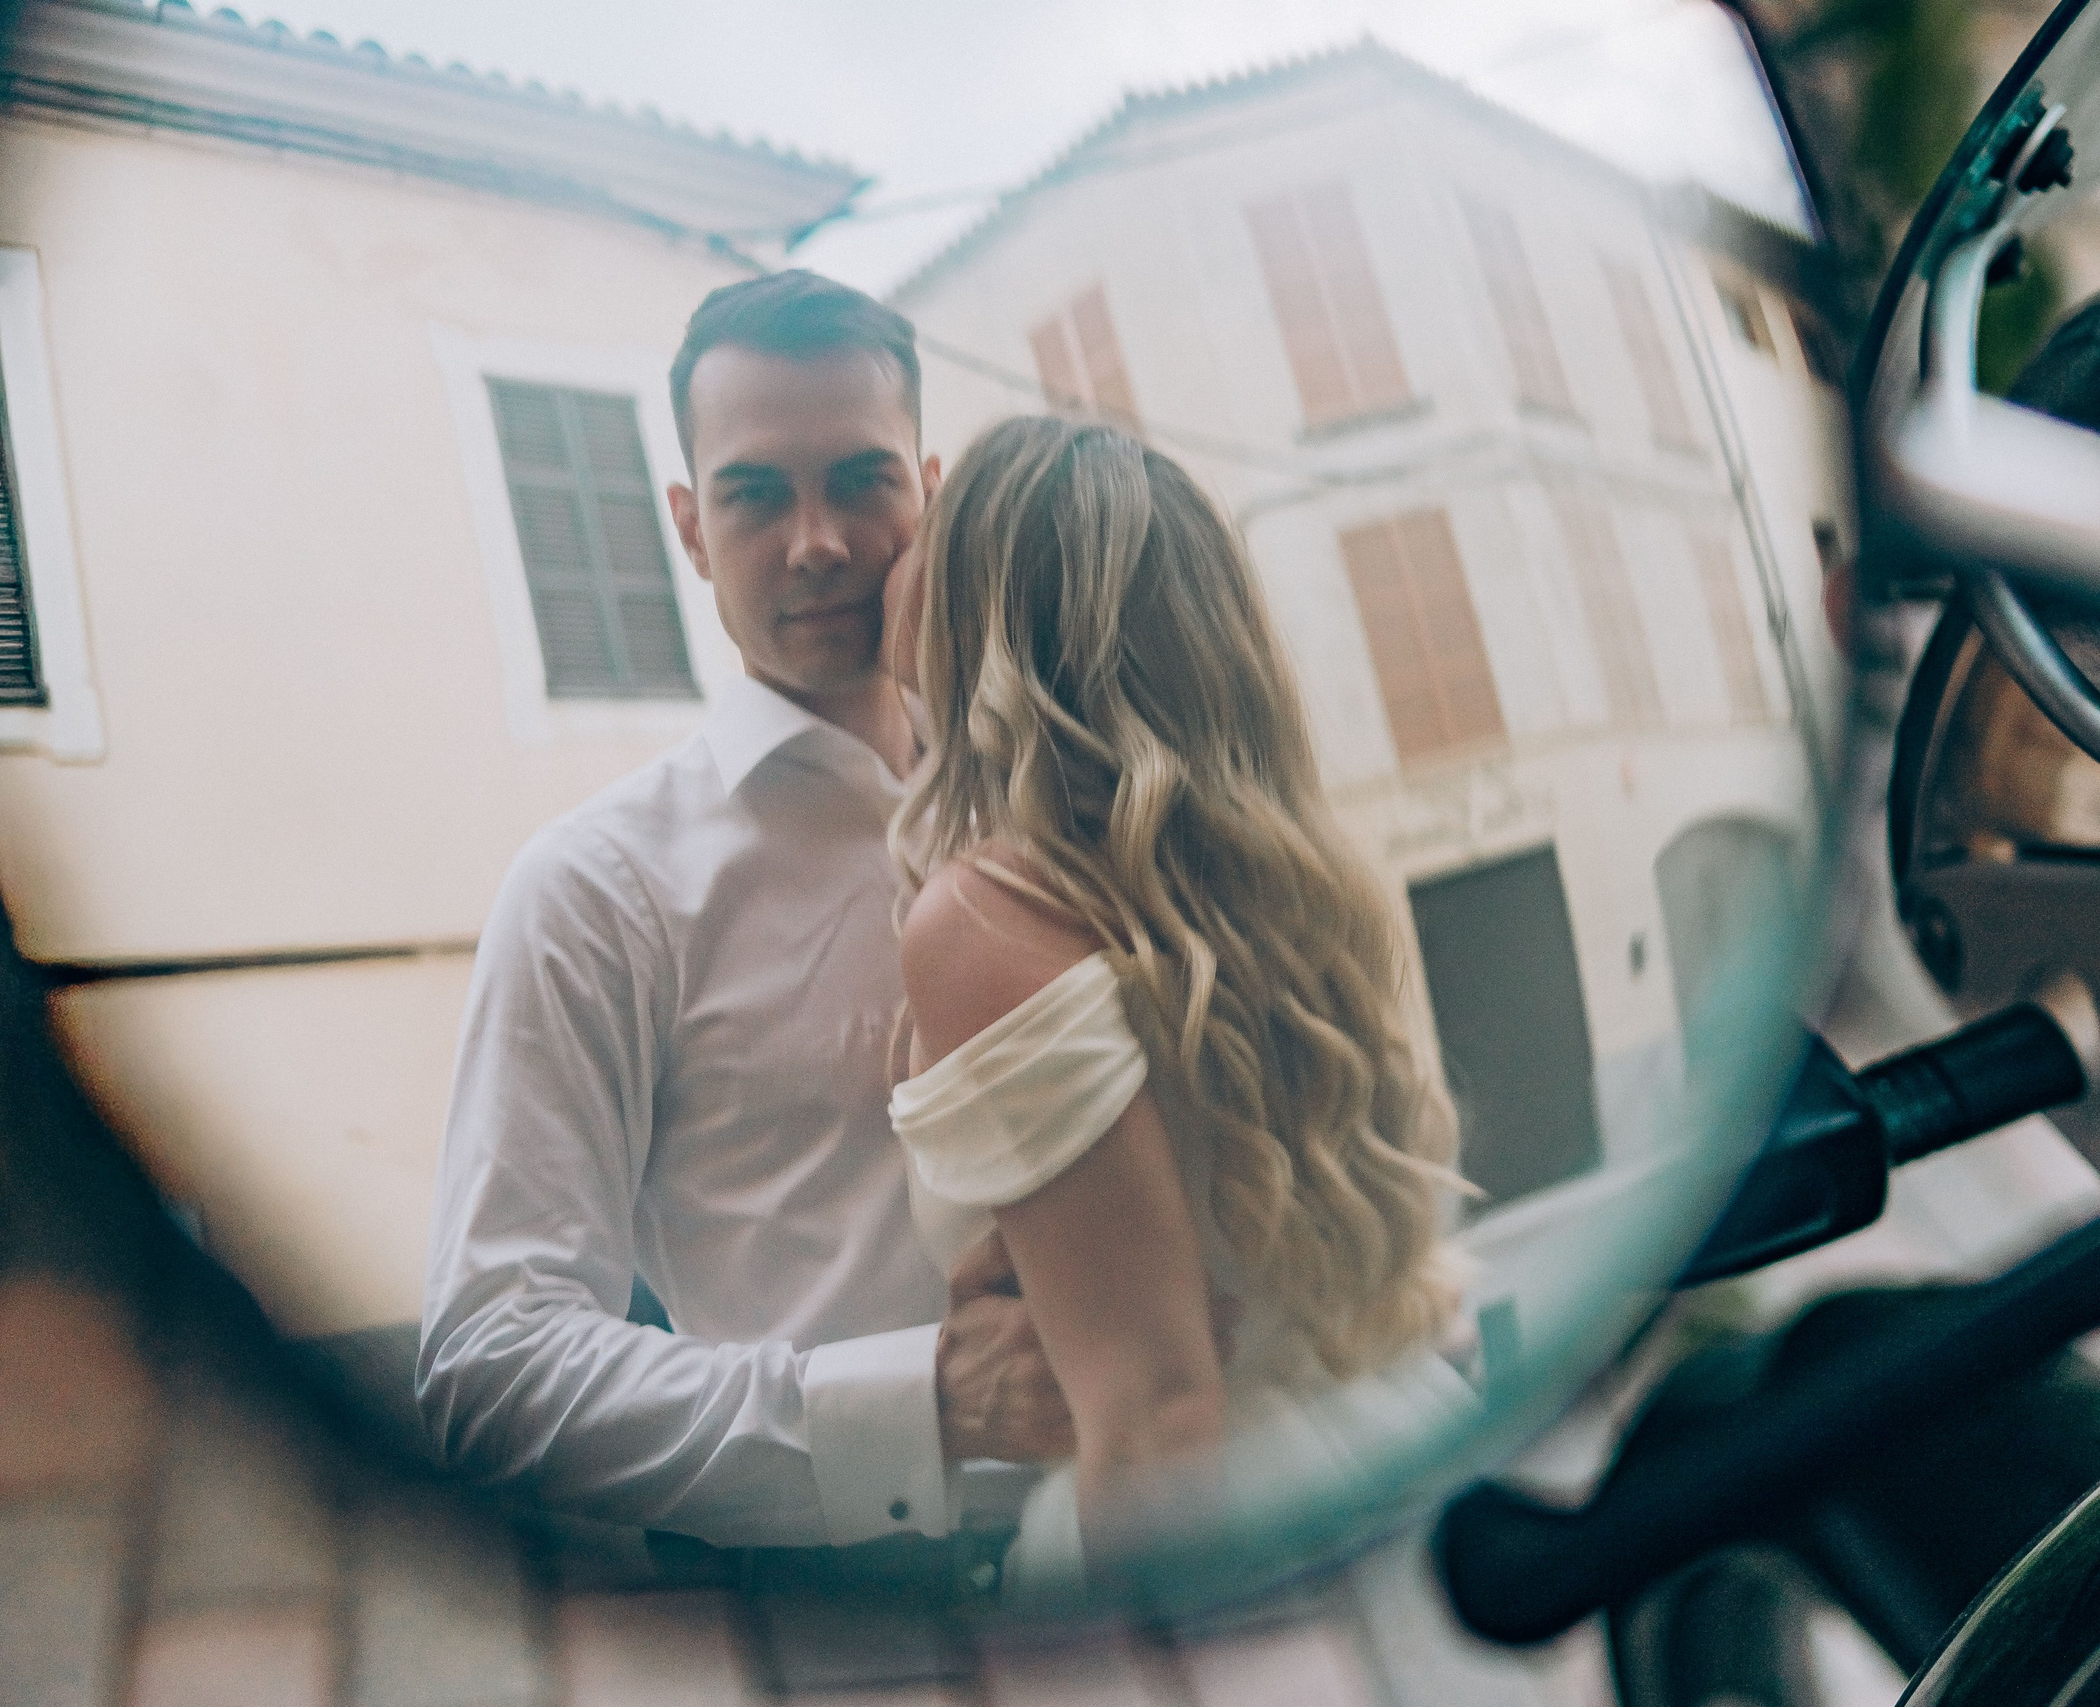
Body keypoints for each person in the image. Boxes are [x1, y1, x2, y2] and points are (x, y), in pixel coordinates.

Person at [417, 273, 1070, 1572]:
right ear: (688, 527)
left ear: (929, 488)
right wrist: (918, 1408)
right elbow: (487, 1366)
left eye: (862, 479)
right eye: (756, 493)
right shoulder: (594, 891)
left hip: (1164, 1529)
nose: (818, 540)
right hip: (850, 1616)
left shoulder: (1060, 796)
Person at [880, 416, 1478, 1593]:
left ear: (977, 613)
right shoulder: (1270, 885)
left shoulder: (983, 919)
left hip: (1218, 1543)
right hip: (1384, 1445)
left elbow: (1158, 1421)